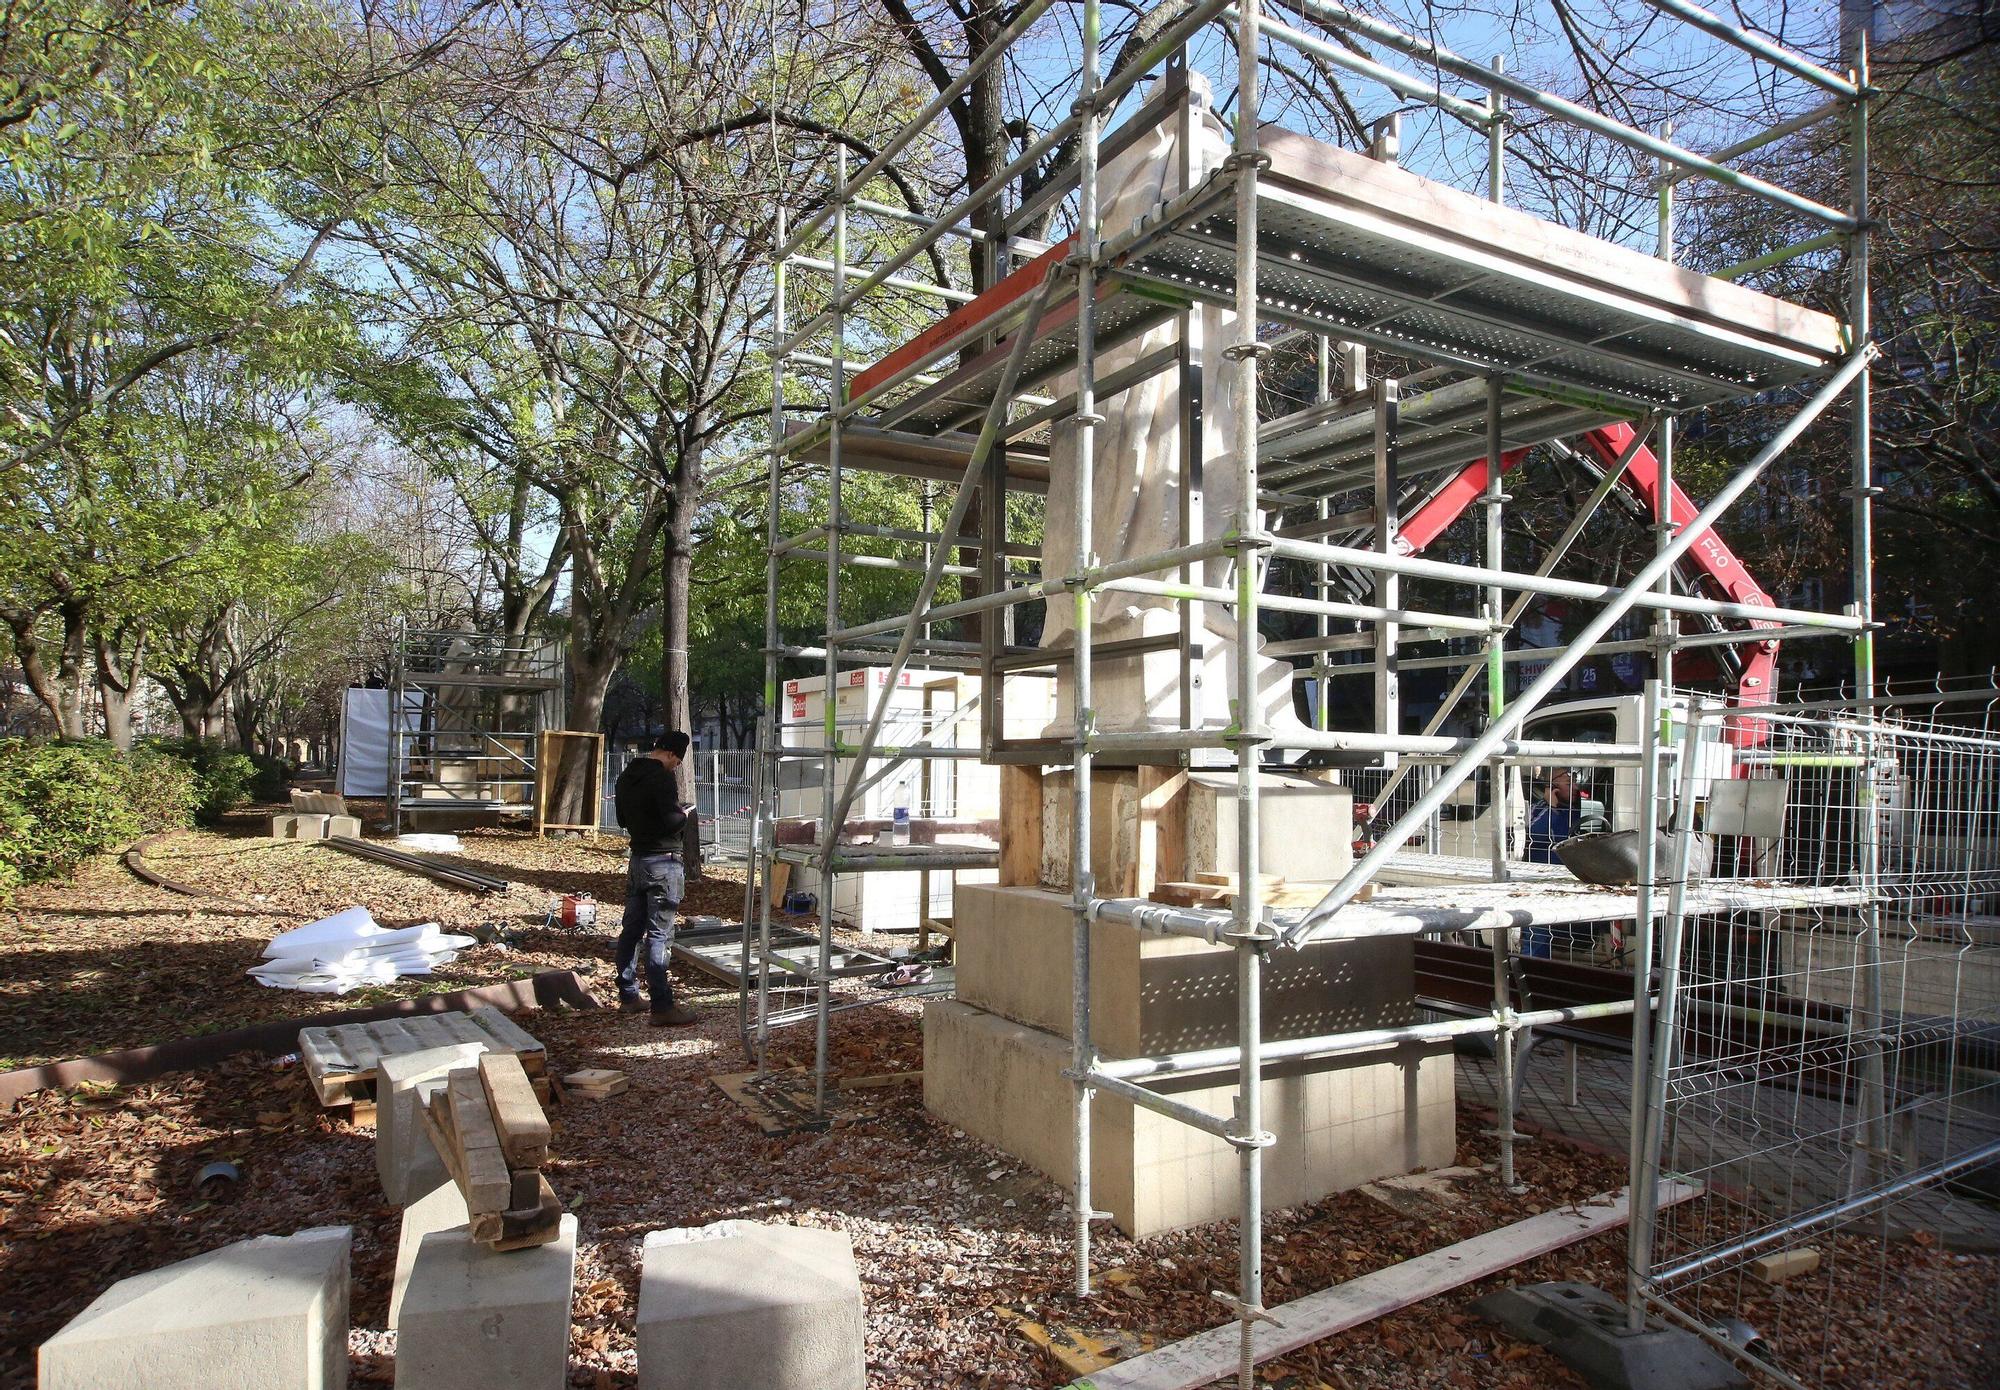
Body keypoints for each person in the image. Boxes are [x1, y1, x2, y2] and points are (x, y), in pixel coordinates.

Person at [613, 731, 698, 1025]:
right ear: (673, 755)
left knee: (631, 931)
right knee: (659, 935)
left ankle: (628, 995)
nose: (675, 767)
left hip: (637, 860)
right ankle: (662, 1007)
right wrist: (685, 815)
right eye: (677, 762)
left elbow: (623, 820)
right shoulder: (662, 778)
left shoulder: (626, 776)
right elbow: (672, 821)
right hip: (664, 862)